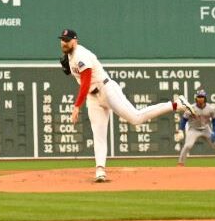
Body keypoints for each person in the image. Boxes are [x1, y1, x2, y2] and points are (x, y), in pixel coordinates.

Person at [59, 29, 180, 183]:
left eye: (67, 40)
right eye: (62, 39)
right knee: (98, 134)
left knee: (136, 118)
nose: (64, 42)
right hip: (93, 97)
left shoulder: (81, 55)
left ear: (75, 41)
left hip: (106, 89)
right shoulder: (70, 56)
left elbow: (86, 81)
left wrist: (77, 106)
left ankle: (174, 104)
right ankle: (100, 170)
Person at [176, 89, 215, 168]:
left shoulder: (210, 108)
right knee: (188, 145)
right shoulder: (191, 108)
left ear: (205, 98)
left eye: (202, 97)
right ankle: (180, 164)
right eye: (199, 97)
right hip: (193, 129)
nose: (200, 98)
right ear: (196, 98)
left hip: (206, 129)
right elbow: (184, 119)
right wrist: (181, 130)